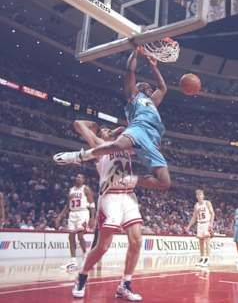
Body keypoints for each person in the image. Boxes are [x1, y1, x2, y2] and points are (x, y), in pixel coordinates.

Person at [53, 47, 171, 191]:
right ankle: (80, 156)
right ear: (137, 89)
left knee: (164, 182)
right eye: (142, 85)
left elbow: (163, 88)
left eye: (148, 87)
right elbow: (130, 71)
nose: (147, 86)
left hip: (153, 138)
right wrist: (135, 52)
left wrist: (154, 67)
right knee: (118, 145)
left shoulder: (152, 102)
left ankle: (126, 180)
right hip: (139, 127)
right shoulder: (133, 97)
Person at [70, 120, 143, 301]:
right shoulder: (99, 146)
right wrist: (95, 124)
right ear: (100, 135)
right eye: (104, 130)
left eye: (109, 129)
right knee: (102, 247)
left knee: (137, 241)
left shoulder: (125, 146)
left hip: (129, 196)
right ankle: (82, 276)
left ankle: (125, 284)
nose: (107, 131)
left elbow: (136, 130)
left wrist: (120, 129)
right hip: (110, 197)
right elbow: (78, 124)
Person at [55, 174, 95, 269]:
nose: (78, 178)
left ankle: (85, 256)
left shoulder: (86, 189)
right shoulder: (71, 190)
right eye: (77, 177)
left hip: (83, 213)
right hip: (72, 214)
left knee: (80, 235)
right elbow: (68, 205)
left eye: (80, 177)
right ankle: (73, 260)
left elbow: (92, 204)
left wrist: (92, 218)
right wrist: (60, 216)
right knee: (71, 236)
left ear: (83, 179)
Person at [186, 189, 215, 267]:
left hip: (206, 223)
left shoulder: (207, 203)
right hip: (200, 224)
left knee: (207, 242)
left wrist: (211, 224)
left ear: (203, 195)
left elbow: (212, 213)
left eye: (200, 194)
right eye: (197, 195)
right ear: (196, 196)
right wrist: (189, 226)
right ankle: (202, 258)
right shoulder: (196, 205)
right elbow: (194, 217)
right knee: (201, 243)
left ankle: (207, 259)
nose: (199, 196)